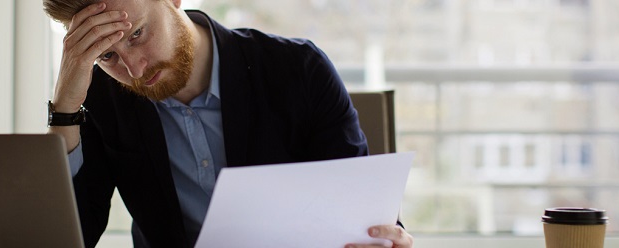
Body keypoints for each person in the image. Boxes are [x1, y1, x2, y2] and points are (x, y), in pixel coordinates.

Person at [42, 0, 414, 247]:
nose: (134, 70)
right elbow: (73, 237)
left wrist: (386, 239)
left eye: (137, 34)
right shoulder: (100, 102)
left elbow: (362, 219)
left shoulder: (298, 70)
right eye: (106, 55)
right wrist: (64, 110)